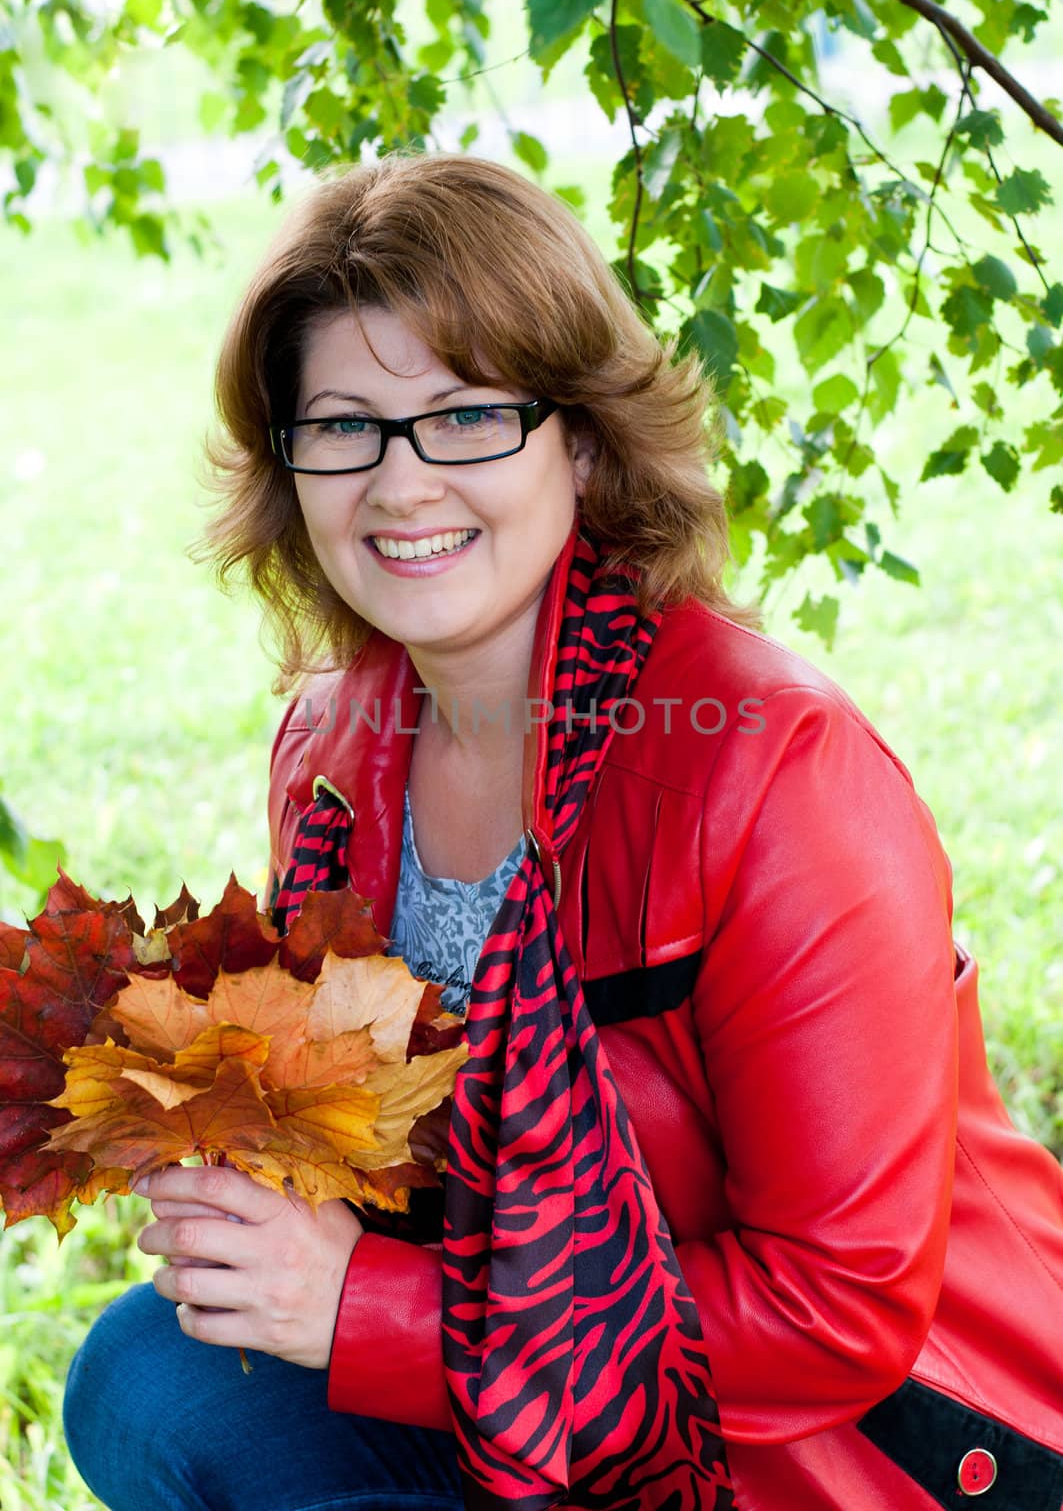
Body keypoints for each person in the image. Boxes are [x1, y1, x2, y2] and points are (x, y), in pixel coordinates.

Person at [63, 152, 1063, 1511]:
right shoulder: (334, 749)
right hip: (547, 1388)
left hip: (830, 1443)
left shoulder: (776, 767)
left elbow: (836, 1308)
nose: (401, 485)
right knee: (150, 1380)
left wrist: (366, 1314)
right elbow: (410, 1142)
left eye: (467, 415)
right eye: (345, 426)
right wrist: (246, 1169)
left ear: (581, 443)